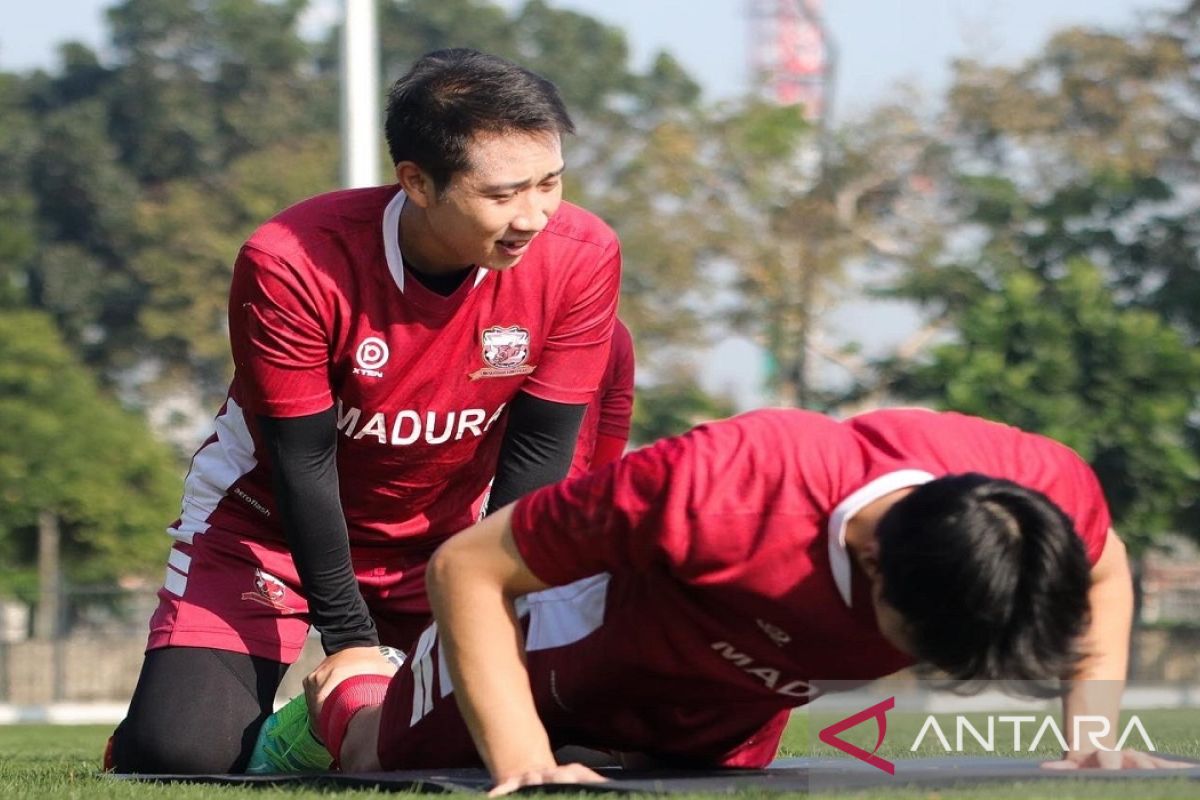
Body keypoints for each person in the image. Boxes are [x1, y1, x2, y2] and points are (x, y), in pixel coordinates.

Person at [107, 47, 621, 774]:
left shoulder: (583, 254)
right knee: (177, 753)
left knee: (559, 737)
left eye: (550, 184)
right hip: (267, 533)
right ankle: (312, 714)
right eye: (504, 195)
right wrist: (348, 641)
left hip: (444, 547)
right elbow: (300, 459)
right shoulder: (290, 260)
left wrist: (496, 609)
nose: (534, 216)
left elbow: (538, 454)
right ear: (415, 181)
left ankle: (330, 724)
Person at [290, 407, 1185, 792]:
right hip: (578, 638)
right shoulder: (728, 485)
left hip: (740, 693)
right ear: (873, 561)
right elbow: (466, 566)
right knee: (383, 760)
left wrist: (1093, 735)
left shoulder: (1036, 493)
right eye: (922, 645)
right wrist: (526, 762)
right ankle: (353, 686)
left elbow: (1101, 563)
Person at [567, 318, 634, 478]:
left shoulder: (616, 336)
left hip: (558, 488)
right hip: (561, 489)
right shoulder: (616, 333)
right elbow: (612, 428)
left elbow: (613, 428)